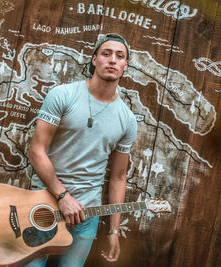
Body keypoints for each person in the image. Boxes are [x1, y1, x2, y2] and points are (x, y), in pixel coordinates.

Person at [26, 33, 137, 267]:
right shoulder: (63, 95)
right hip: (42, 204)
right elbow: (36, 150)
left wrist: (114, 231)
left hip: (87, 214)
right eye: (106, 53)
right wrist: (63, 196)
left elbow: (118, 177)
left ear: (125, 65)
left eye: (120, 56)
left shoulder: (127, 119)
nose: (112, 60)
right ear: (94, 59)